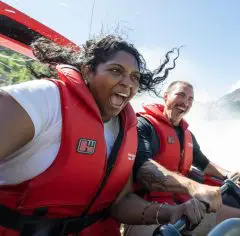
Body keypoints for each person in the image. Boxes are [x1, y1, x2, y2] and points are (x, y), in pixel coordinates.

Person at [0, 35, 206, 236]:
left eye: (134, 77)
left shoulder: (127, 129)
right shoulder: (46, 100)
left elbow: (120, 203)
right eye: (116, 71)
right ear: (88, 71)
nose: (128, 83)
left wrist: (171, 213)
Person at [124, 81, 240, 236]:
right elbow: (142, 169)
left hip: (186, 206)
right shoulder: (143, 126)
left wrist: (228, 174)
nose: (185, 102)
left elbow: (203, 163)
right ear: (166, 96)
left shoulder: (187, 134)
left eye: (190, 99)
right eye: (180, 95)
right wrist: (194, 187)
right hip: (148, 209)